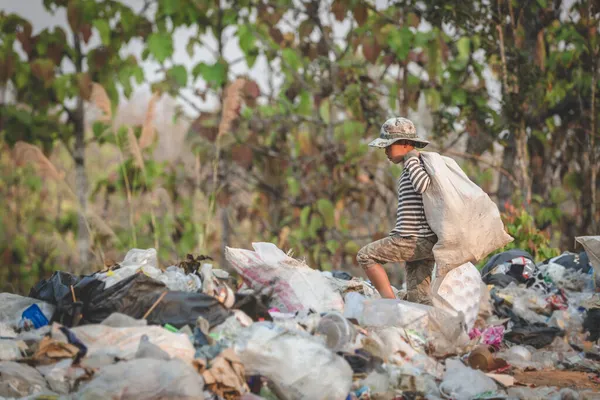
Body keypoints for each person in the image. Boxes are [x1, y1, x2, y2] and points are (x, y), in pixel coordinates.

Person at [357, 117, 437, 305]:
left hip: (413, 238)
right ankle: (427, 330)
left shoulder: (414, 162)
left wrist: (411, 160)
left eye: (388, 146)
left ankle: (391, 305)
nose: (385, 151)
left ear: (406, 144)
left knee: (366, 255)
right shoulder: (412, 164)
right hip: (423, 241)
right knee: (419, 298)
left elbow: (423, 185)